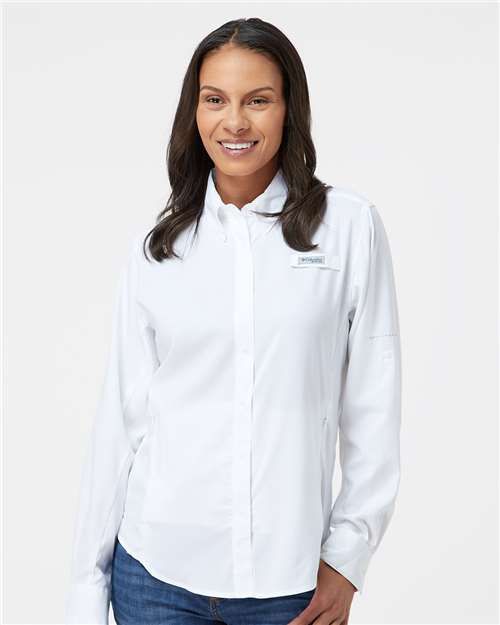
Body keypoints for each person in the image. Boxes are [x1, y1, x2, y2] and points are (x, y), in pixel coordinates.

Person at [64, 16, 402, 625]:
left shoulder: (349, 228)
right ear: (193, 113)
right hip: (154, 577)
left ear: (289, 109)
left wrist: (348, 559)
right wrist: (86, 591)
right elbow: (120, 422)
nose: (235, 122)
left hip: (290, 585)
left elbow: (372, 407)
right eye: (215, 100)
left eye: (258, 100)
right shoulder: (159, 250)